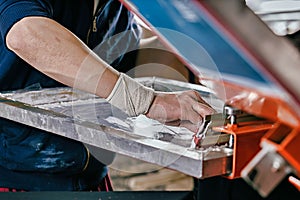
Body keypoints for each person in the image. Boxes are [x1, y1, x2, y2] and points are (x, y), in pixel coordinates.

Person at [0, 0, 214, 191]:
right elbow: (26, 34)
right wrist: (146, 101)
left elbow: (116, 76)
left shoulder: (121, 11)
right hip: (16, 178)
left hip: (90, 177)